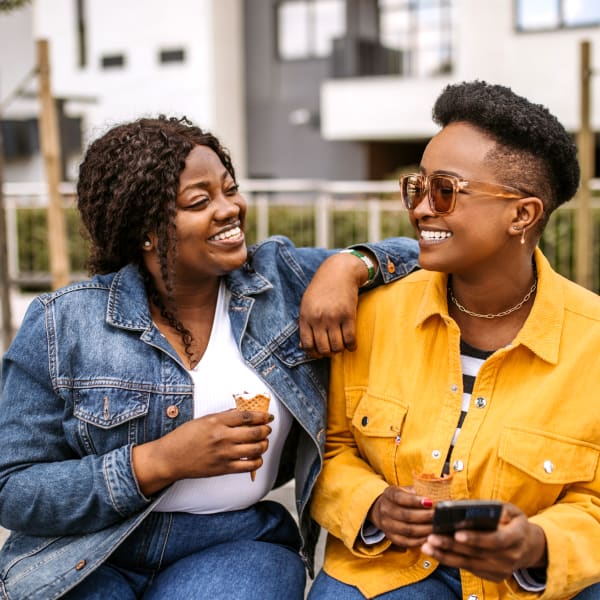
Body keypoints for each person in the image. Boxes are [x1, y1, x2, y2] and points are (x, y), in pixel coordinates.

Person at [0, 115, 419, 600]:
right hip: (86, 550)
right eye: (199, 202)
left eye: (230, 189)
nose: (230, 209)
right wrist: (159, 461)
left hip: (235, 541)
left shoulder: (279, 280)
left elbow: (413, 253)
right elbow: (13, 487)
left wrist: (347, 266)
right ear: (146, 232)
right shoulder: (63, 321)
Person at [308, 81, 600, 600]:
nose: (421, 208)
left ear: (522, 215)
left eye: (445, 190)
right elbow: (331, 449)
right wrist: (372, 504)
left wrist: (536, 543)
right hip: (388, 574)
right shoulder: (373, 316)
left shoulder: (592, 342)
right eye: (416, 188)